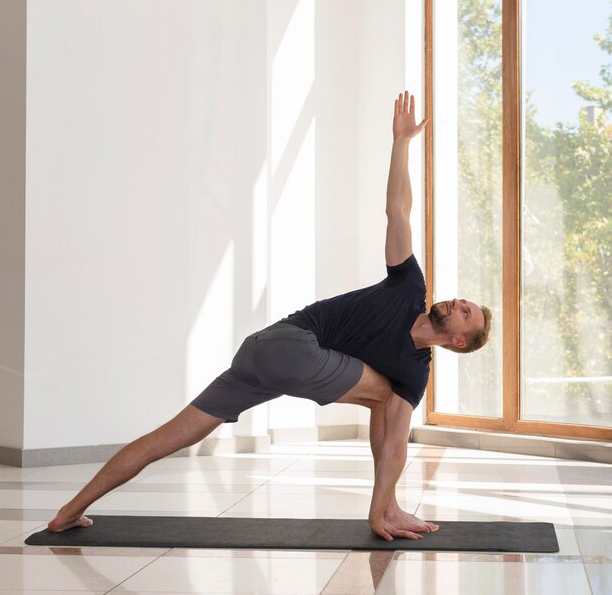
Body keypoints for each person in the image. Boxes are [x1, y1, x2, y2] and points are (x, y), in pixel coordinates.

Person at [48, 91, 491, 542]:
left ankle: (69, 511)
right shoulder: (408, 287)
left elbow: (396, 444)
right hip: (289, 342)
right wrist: (401, 143)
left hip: (259, 359)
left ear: (459, 340)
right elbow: (397, 211)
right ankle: (385, 510)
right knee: (389, 402)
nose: (456, 302)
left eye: (465, 312)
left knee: (170, 437)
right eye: (461, 301)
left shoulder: (416, 371)